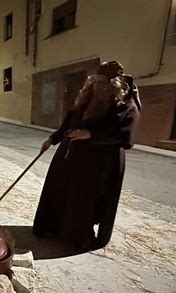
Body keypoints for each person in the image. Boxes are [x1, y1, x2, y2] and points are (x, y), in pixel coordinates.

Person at [33, 61, 141, 250]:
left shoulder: (126, 104)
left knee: (86, 199)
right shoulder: (88, 96)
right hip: (71, 156)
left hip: (100, 163)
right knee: (62, 191)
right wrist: (53, 138)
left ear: (114, 84)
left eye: (103, 83)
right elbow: (70, 120)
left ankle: (78, 237)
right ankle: (55, 229)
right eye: (96, 81)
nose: (98, 86)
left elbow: (125, 135)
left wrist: (91, 134)